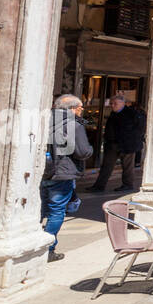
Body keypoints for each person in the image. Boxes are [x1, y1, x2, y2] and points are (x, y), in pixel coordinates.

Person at [41, 94, 92, 262]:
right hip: (62, 172)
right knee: (56, 211)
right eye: (80, 108)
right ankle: (48, 248)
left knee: (40, 210)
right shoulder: (74, 125)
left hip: (43, 171)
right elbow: (83, 152)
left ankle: (37, 243)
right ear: (72, 109)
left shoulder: (43, 119)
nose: (81, 111)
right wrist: (91, 150)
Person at [89, 94, 145, 193]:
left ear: (123, 103)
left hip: (127, 145)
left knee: (127, 167)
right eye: (111, 103)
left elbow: (139, 129)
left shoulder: (132, 113)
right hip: (113, 144)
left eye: (115, 103)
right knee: (106, 166)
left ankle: (127, 185)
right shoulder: (113, 114)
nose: (112, 105)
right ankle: (99, 186)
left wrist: (132, 141)